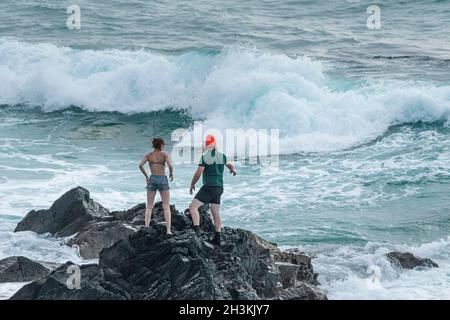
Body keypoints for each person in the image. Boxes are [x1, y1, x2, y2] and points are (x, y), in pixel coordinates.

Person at [188, 134, 236, 245]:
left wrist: (192, 184)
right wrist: (233, 170)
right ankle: (217, 237)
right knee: (215, 212)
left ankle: (197, 230)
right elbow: (229, 164)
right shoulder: (222, 156)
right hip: (219, 188)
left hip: (209, 187)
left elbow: (198, 173)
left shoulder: (205, 157)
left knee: (193, 207)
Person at [139, 137, 174, 235]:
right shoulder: (164, 155)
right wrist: (171, 173)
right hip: (162, 179)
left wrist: (146, 176)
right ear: (161, 145)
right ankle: (168, 230)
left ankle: (146, 227)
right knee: (166, 206)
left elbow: (140, 165)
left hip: (152, 179)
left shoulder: (149, 155)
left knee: (149, 206)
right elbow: (170, 166)